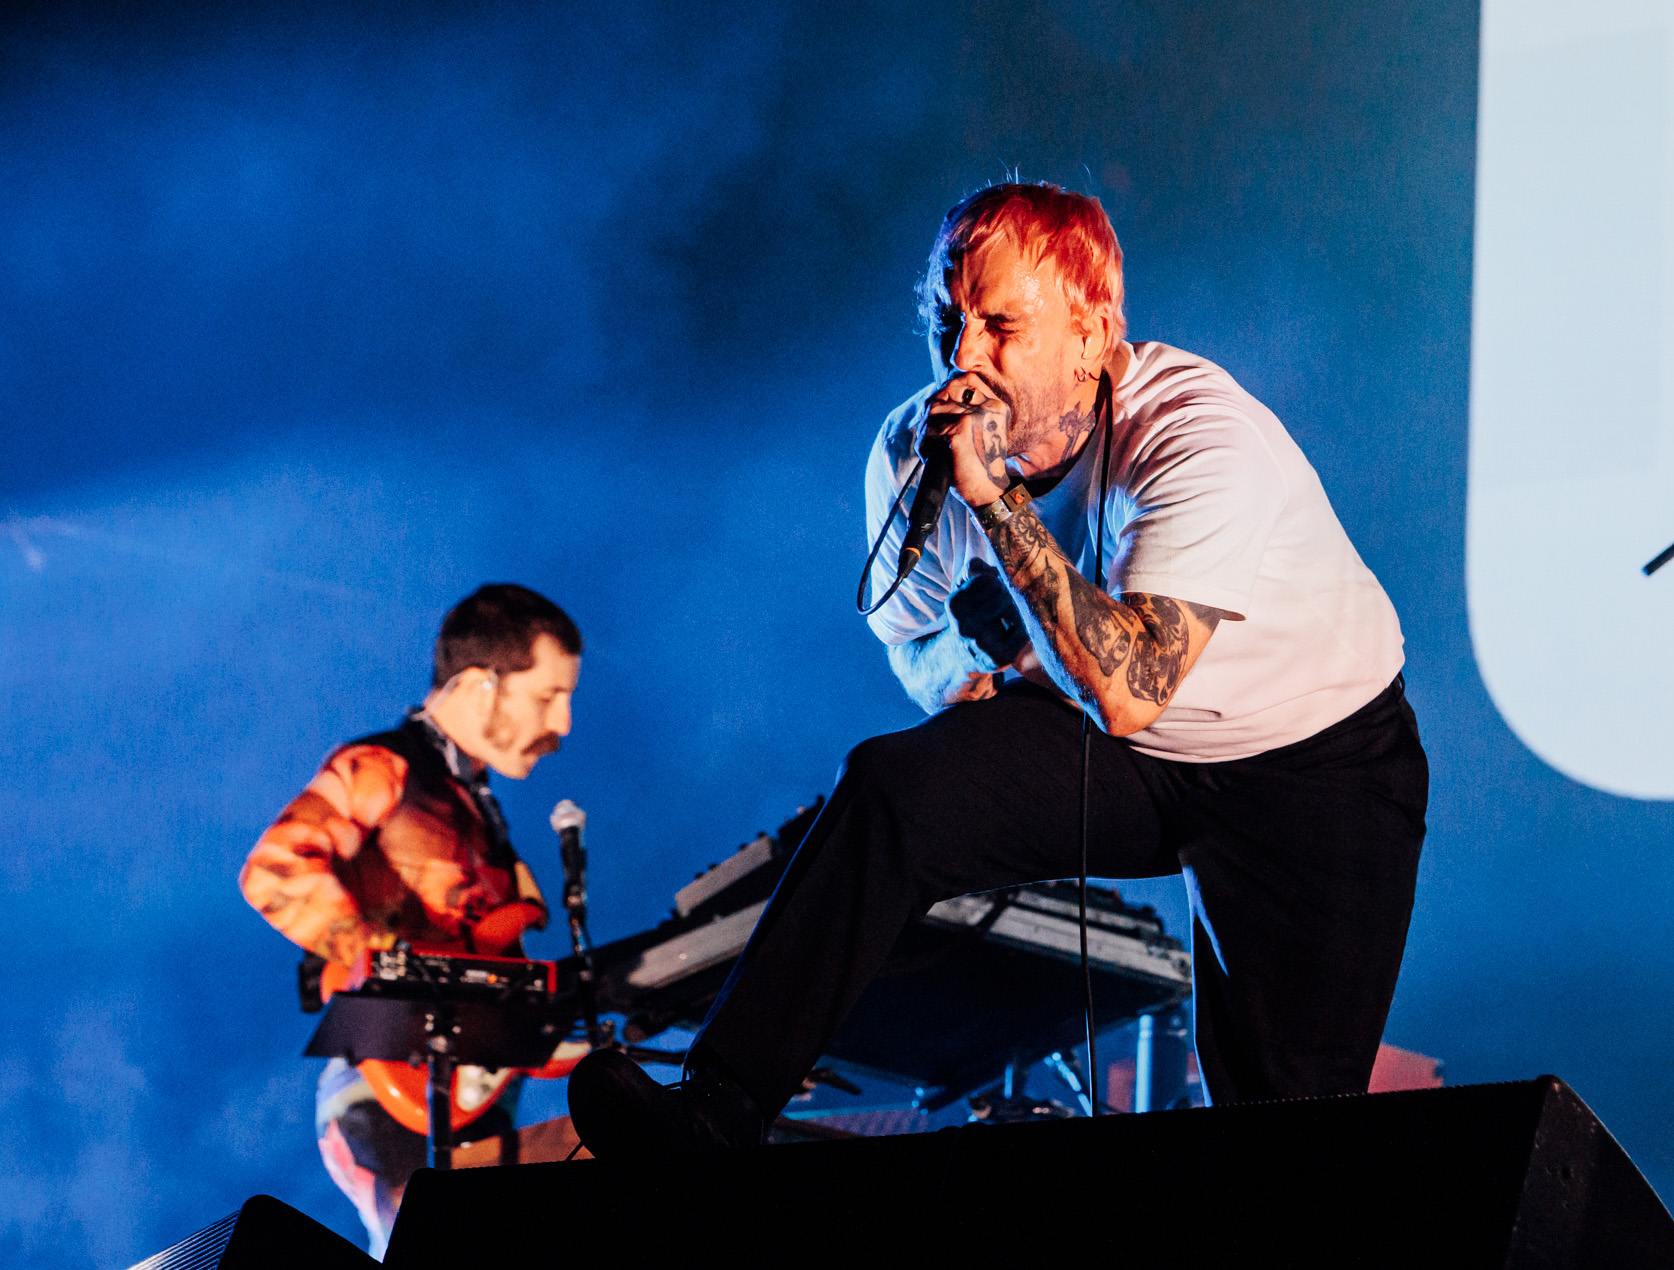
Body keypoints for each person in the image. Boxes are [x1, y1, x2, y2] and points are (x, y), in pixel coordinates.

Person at [568, 181, 1427, 1159]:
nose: (963, 357)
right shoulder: (911, 450)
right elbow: (923, 664)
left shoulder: (1196, 435)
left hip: (1311, 765)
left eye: (999, 324)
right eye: (946, 319)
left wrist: (994, 496)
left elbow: (1133, 687)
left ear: (1090, 333)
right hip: (1121, 748)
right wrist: (975, 644)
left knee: (1285, 1117)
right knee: (896, 788)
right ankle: (714, 1113)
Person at [239, 583, 583, 1256]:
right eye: (547, 695)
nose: (563, 723)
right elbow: (275, 870)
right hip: (388, 1080)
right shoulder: (382, 767)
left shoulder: (478, 812)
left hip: (480, 1096)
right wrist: (388, 966)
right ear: (482, 685)